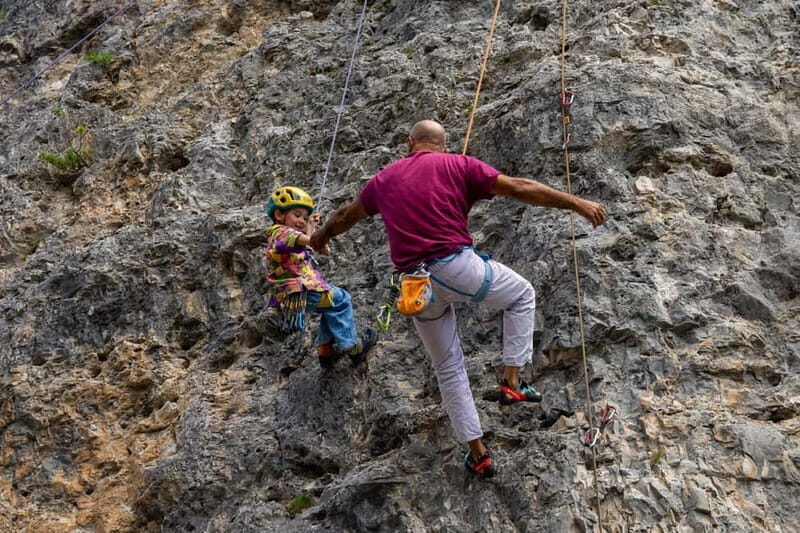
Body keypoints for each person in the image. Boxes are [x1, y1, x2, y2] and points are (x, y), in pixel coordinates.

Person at [310, 120, 606, 478]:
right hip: (455, 266)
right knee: (521, 295)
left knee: (448, 368)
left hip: (415, 285)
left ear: (410, 143)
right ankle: (512, 381)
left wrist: (320, 236)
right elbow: (521, 188)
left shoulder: (384, 179)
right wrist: (576, 203)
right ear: (442, 144)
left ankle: (478, 453)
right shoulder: (459, 165)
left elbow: (345, 216)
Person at [264, 185, 377, 368]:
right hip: (301, 290)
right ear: (279, 214)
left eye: (305, 217)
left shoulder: (283, 238)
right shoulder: (280, 232)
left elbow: (304, 245)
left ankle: (326, 350)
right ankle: (351, 347)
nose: (301, 220)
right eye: (297, 215)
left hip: (293, 294)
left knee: (329, 306)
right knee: (341, 300)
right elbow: (301, 240)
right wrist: (320, 236)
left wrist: (311, 228)